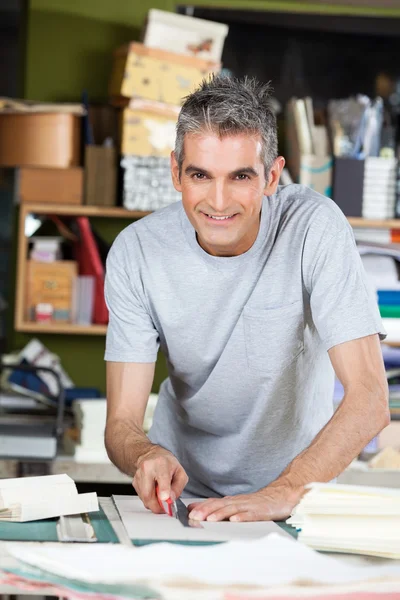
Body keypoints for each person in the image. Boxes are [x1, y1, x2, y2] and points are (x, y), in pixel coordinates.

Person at [104, 75, 389, 523]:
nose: (219, 202)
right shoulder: (136, 252)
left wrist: (286, 491)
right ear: (176, 172)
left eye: (240, 176)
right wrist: (144, 454)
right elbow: (120, 423)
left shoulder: (314, 227)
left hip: (297, 498)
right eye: (200, 175)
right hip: (183, 503)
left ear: (272, 176)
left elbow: (371, 399)